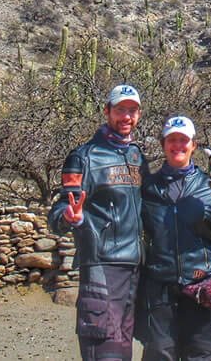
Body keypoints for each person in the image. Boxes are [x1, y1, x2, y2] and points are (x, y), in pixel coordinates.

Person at [48, 84, 149, 361]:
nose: (126, 117)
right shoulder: (83, 157)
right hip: (102, 266)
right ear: (106, 111)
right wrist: (70, 217)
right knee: (104, 351)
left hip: (134, 269)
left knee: (123, 349)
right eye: (120, 110)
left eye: (132, 111)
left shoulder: (138, 157)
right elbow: (57, 213)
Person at [139, 115, 211, 361]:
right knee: (159, 353)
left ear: (194, 145)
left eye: (183, 140)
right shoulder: (149, 188)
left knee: (201, 353)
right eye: (172, 140)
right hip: (161, 285)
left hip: (203, 282)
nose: (178, 145)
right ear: (163, 144)